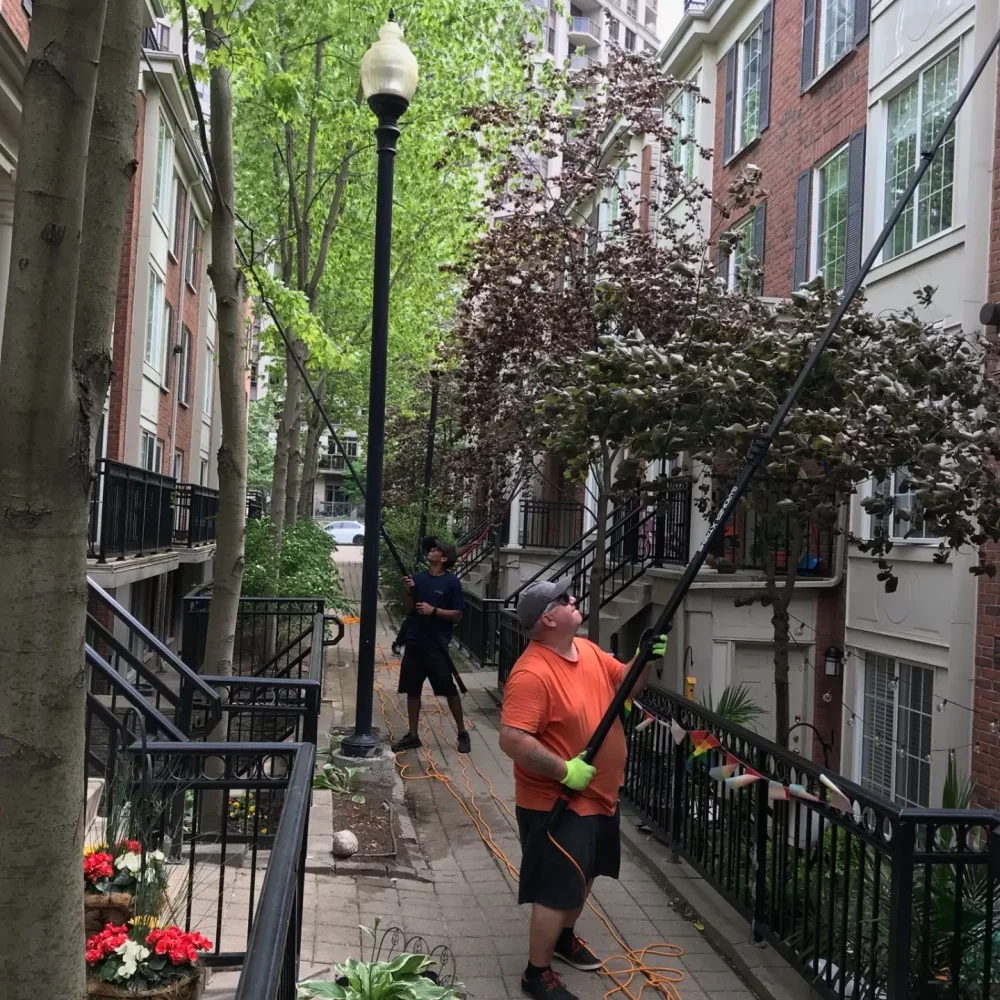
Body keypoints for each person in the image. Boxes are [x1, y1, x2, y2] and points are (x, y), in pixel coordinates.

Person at [498, 578, 667, 1000]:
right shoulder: (532, 673)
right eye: (564, 598)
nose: (574, 599)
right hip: (558, 800)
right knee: (556, 889)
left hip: (601, 796)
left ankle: (563, 938)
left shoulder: (588, 650)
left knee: (585, 874)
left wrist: (644, 659)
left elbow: (627, 683)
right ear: (549, 618)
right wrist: (563, 771)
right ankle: (536, 975)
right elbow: (512, 739)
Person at [390, 539, 472, 754]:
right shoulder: (418, 579)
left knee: (449, 690)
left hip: (437, 645)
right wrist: (407, 591)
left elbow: (458, 616)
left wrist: (434, 610)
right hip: (415, 642)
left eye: (435, 549)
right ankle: (413, 735)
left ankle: (462, 732)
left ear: (444, 558)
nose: (431, 551)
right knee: (412, 690)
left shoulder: (451, 583)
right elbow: (408, 609)